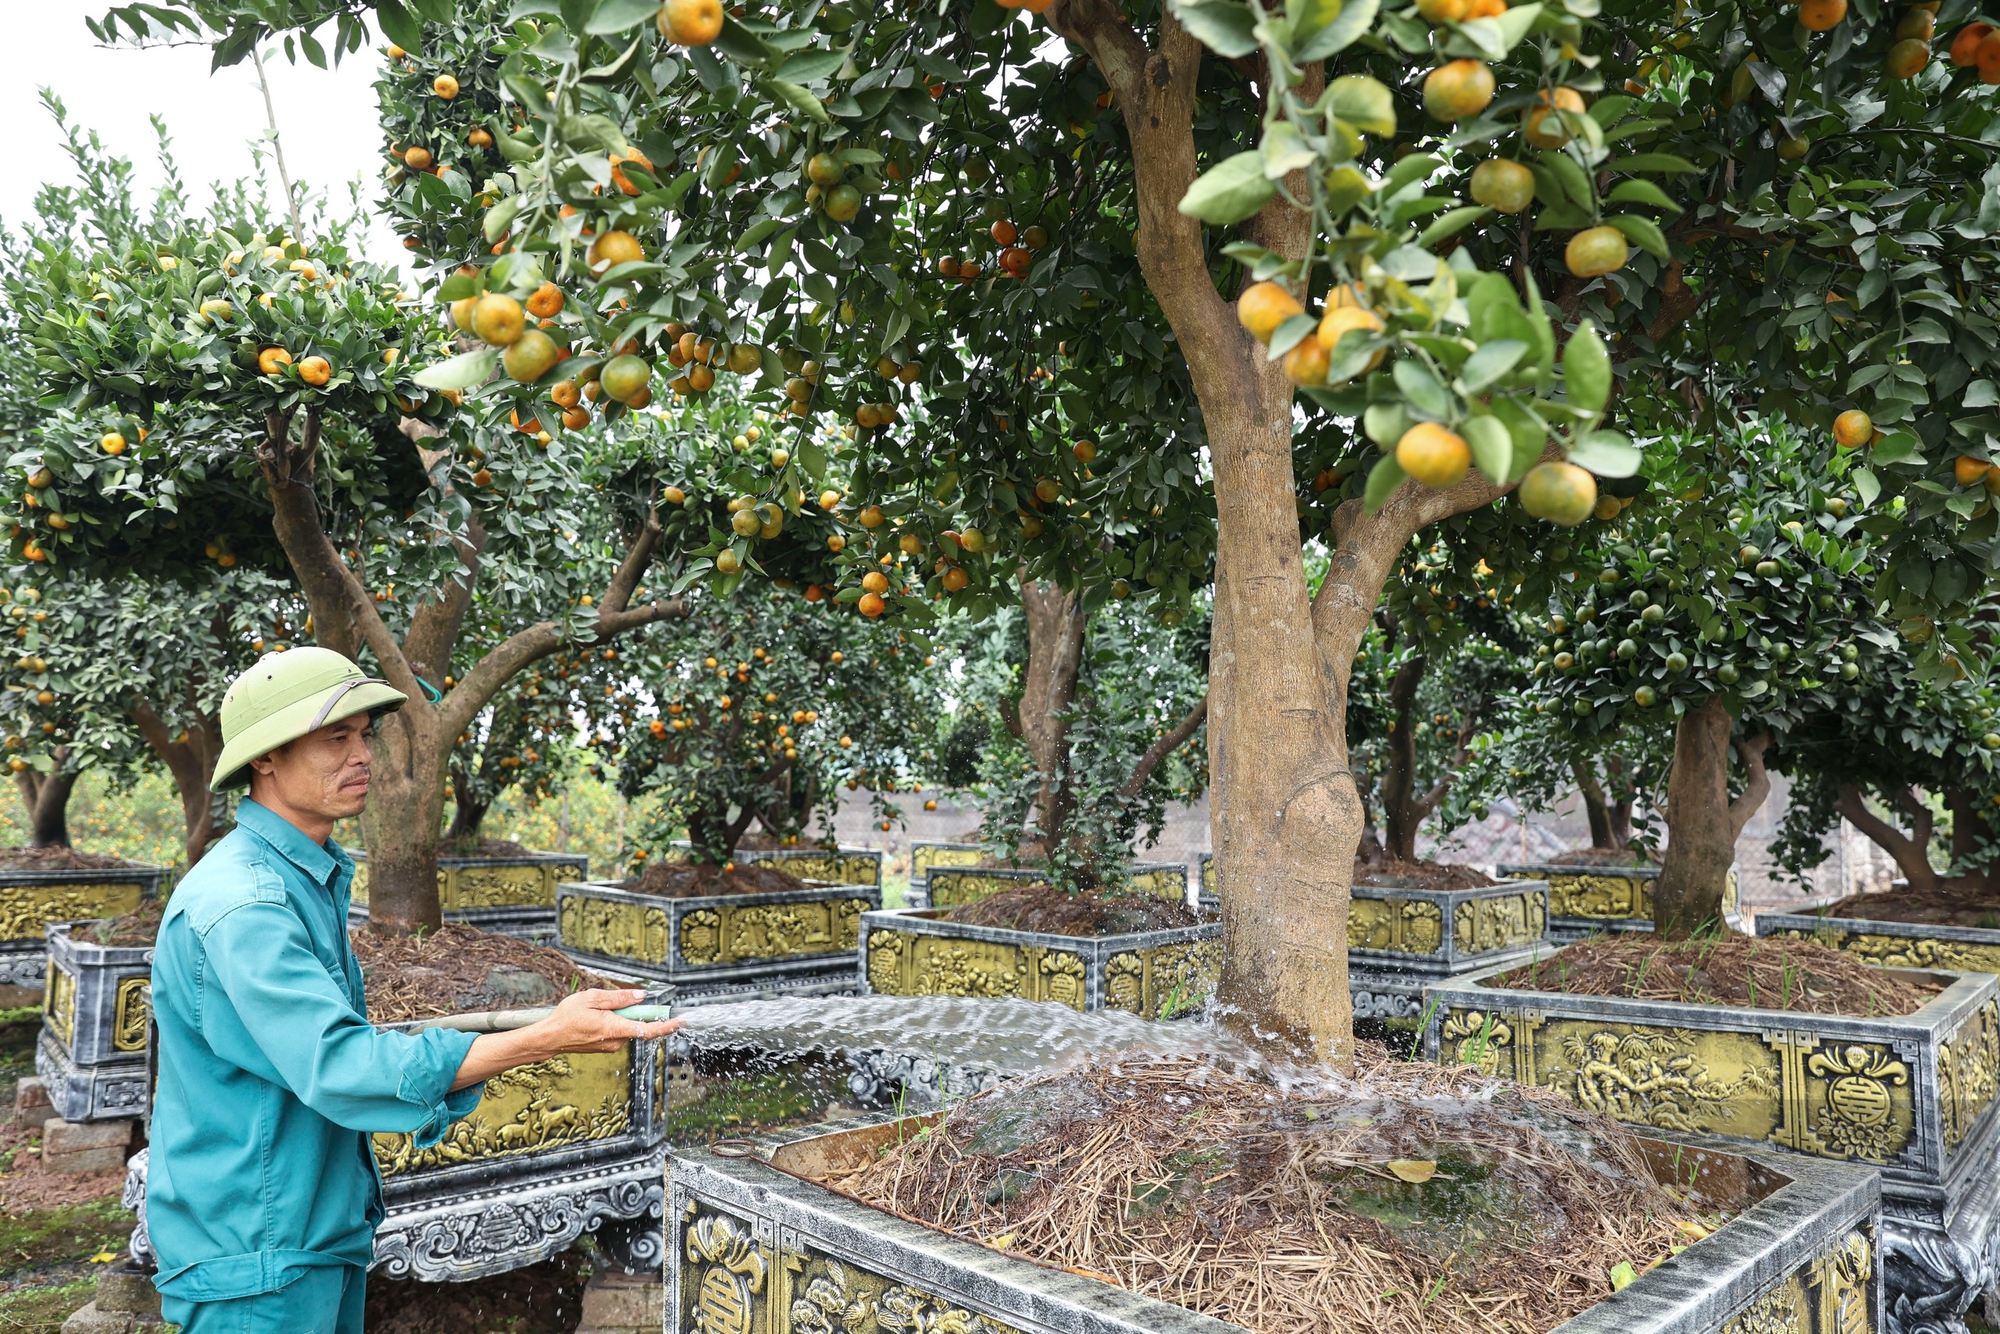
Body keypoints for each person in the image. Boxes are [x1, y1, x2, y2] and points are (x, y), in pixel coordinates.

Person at [146, 648, 680, 1333]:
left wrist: (519, 1026)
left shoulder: (300, 877)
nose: (361, 754)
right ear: (266, 758)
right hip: (256, 1254)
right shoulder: (247, 904)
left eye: (364, 734)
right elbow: (341, 1065)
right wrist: (545, 1040)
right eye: (334, 738)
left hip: (304, 1232)